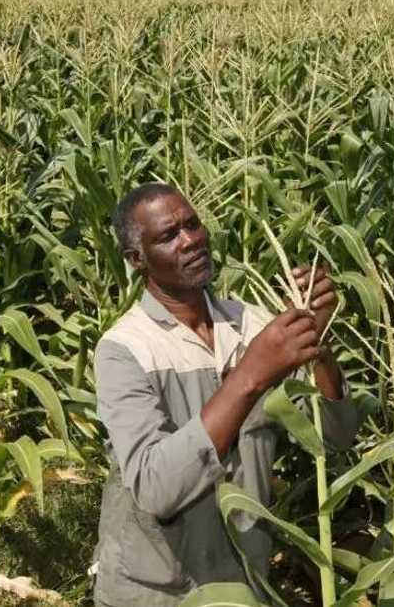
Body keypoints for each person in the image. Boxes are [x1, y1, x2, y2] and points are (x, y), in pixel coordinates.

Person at [92, 183, 359, 607]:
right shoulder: (125, 349)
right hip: (157, 593)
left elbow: (334, 438)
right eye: (168, 236)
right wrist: (250, 374)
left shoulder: (252, 324)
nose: (191, 240)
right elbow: (155, 487)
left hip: (242, 584)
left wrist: (318, 342)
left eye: (193, 225)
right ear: (136, 260)